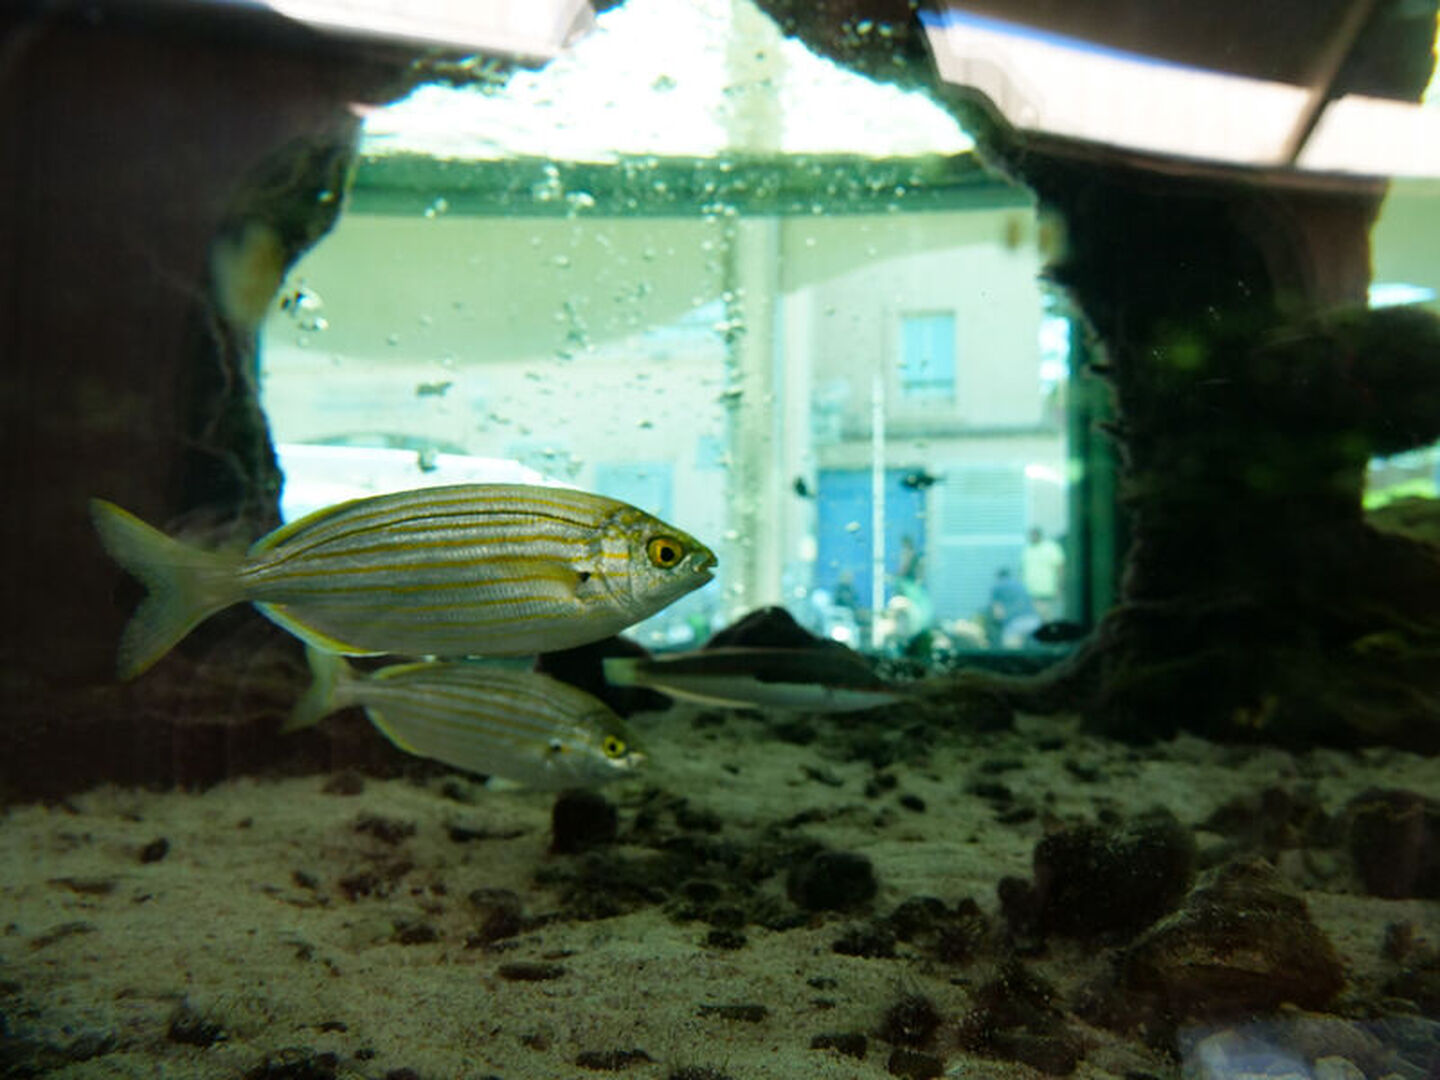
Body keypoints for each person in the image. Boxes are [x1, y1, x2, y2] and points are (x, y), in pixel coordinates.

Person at [986, 568, 1039, 648]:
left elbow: (998, 613)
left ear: (998, 577)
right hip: (1033, 621)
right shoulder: (1021, 585)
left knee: (1011, 653)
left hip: (1015, 623)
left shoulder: (997, 587)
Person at [1021, 526, 1065, 621]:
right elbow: (1022, 570)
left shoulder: (1051, 547)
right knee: (1035, 618)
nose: (1032, 537)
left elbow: (1059, 567)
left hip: (1048, 590)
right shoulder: (1027, 550)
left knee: (1048, 617)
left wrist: (1059, 586)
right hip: (1031, 591)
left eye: (1034, 535)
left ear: (1040, 535)